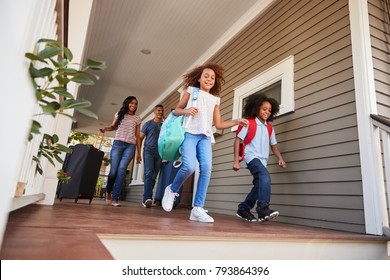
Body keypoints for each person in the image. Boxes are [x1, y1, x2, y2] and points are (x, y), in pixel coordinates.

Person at [161, 63, 249, 223]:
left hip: (205, 137)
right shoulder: (191, 91)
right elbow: (176, 111)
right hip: (189, 133)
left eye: (212, 78)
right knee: (189, 166)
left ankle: (197, 208)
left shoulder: (215, 99)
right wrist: (187, 111)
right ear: (199, 79)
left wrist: (236, 121)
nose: (209, 79)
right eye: (206, 76)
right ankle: (172, 189)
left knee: (207, 169)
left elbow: (219, 124)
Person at [233, 93, 287, 222]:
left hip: (263, 160)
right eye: (264, 109)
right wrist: (236, 161)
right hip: (251, 157)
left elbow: (273, 146)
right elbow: (237, 140)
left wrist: (280, 158)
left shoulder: (269, 128)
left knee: (259, 185)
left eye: (269, 110)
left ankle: (244, 208)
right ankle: (263, 208)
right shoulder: (249, 123)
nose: (267, 112)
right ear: (256, 108)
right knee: (265, 177)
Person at [100, 96, 141, 207]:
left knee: (122, 170)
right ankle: (108, 190)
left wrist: (138, 153)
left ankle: (115, 198)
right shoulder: (119, 114)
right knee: (113, 171)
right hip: (118, 144)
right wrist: (105, 129)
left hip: (130, 146)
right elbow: (113, 127)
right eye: (131, 103)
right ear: (127, 103)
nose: (133, 105)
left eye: (135, 104)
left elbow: (137, 135)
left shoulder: (137, 119)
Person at [140, 104, 164, 208]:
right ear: (154, 112)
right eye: (158, 110)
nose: (160, 112)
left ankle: (148, 199)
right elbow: (140, 138)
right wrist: (137, 153)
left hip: (159, 152)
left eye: (162, 111)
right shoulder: (148, 124)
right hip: (148, 151)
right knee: (148, 173)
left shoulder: (164, 126)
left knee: (154, 176)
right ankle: (147, 198)